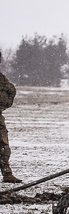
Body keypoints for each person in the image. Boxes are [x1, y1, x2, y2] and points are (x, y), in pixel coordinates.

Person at [0, 51, 22, 183]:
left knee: (3, 145)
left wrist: (3, 105)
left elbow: (11, 91)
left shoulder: (2, 80)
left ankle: (7, 173)